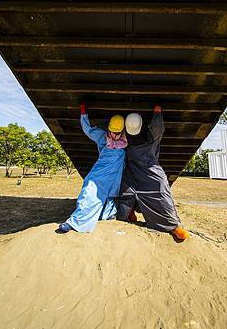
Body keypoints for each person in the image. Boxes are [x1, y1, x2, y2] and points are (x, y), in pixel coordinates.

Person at [117, 105, 190, 242]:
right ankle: (130, 214)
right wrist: (157, 112)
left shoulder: (123, 137)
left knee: (154, 191)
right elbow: (158, 127)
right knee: (158, 193)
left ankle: (173, 226)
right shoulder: (151, 136)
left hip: (138, 171)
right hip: (147, 172)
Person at [57, 103, 127, 233]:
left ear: (123, 130)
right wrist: (83, 113)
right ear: (108, 128)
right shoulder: (102, 136)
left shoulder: (127, 141)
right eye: (112, 131)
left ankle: (108, 216)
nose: (115, 134)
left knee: (111, 195)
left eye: (118, 132)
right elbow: (88, 130)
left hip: (116, 174)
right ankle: (75, 222)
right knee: (89, 191)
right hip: (100, 173)